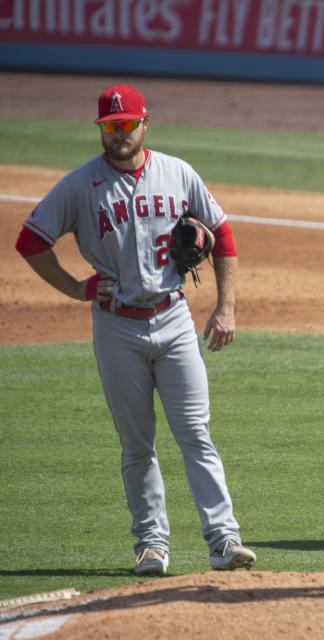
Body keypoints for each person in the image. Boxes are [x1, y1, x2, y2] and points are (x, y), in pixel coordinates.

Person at [15, 84, 256, 576]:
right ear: (101, 130)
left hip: (174, 320)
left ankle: (224, 539)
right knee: (137, 443)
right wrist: (75, 288)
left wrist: (225, 308)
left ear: (146, 124)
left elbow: (224, 233)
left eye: (126, 125)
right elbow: (30, 240)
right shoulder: (80, 185)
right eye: (109, 127)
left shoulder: (177, 172)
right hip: (116, 328)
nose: (118, 134)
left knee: (196, 434)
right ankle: (151, 546)